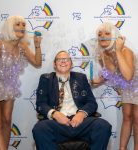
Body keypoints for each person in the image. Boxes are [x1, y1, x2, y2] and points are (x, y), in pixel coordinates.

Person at [32, 50, 112, 150]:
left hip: (80, 122)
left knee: (103, 126)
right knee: (40, 129)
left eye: (67, 59)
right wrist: (55, 114)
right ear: (54, 64)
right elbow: (41, 104)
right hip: (57, 123)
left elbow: (91, 102)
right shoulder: (46, 78)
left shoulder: (81, 78)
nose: (63, 61)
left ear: (71, 64)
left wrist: (81, 114)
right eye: (60, 59)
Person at [0, 15, 42, 150]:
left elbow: (37, 63)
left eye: (24, 25)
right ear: (9, 27)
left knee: (7, 121)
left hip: (9, 86)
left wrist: (37, 45)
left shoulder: (22, 46)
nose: (22, 27)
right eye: (18, 24)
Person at [91, 22, 138, 150]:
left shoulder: (125, 51)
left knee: (137, 118)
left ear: (115, 36)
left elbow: (128, 75)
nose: (103, 36)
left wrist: (117, 50)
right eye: (100, 34)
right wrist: (96, 81)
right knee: (127, 116)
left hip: (136, 84)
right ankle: (122, 148)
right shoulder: (102, 54)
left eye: (107, 33)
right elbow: (110, 74)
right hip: (127, 87)